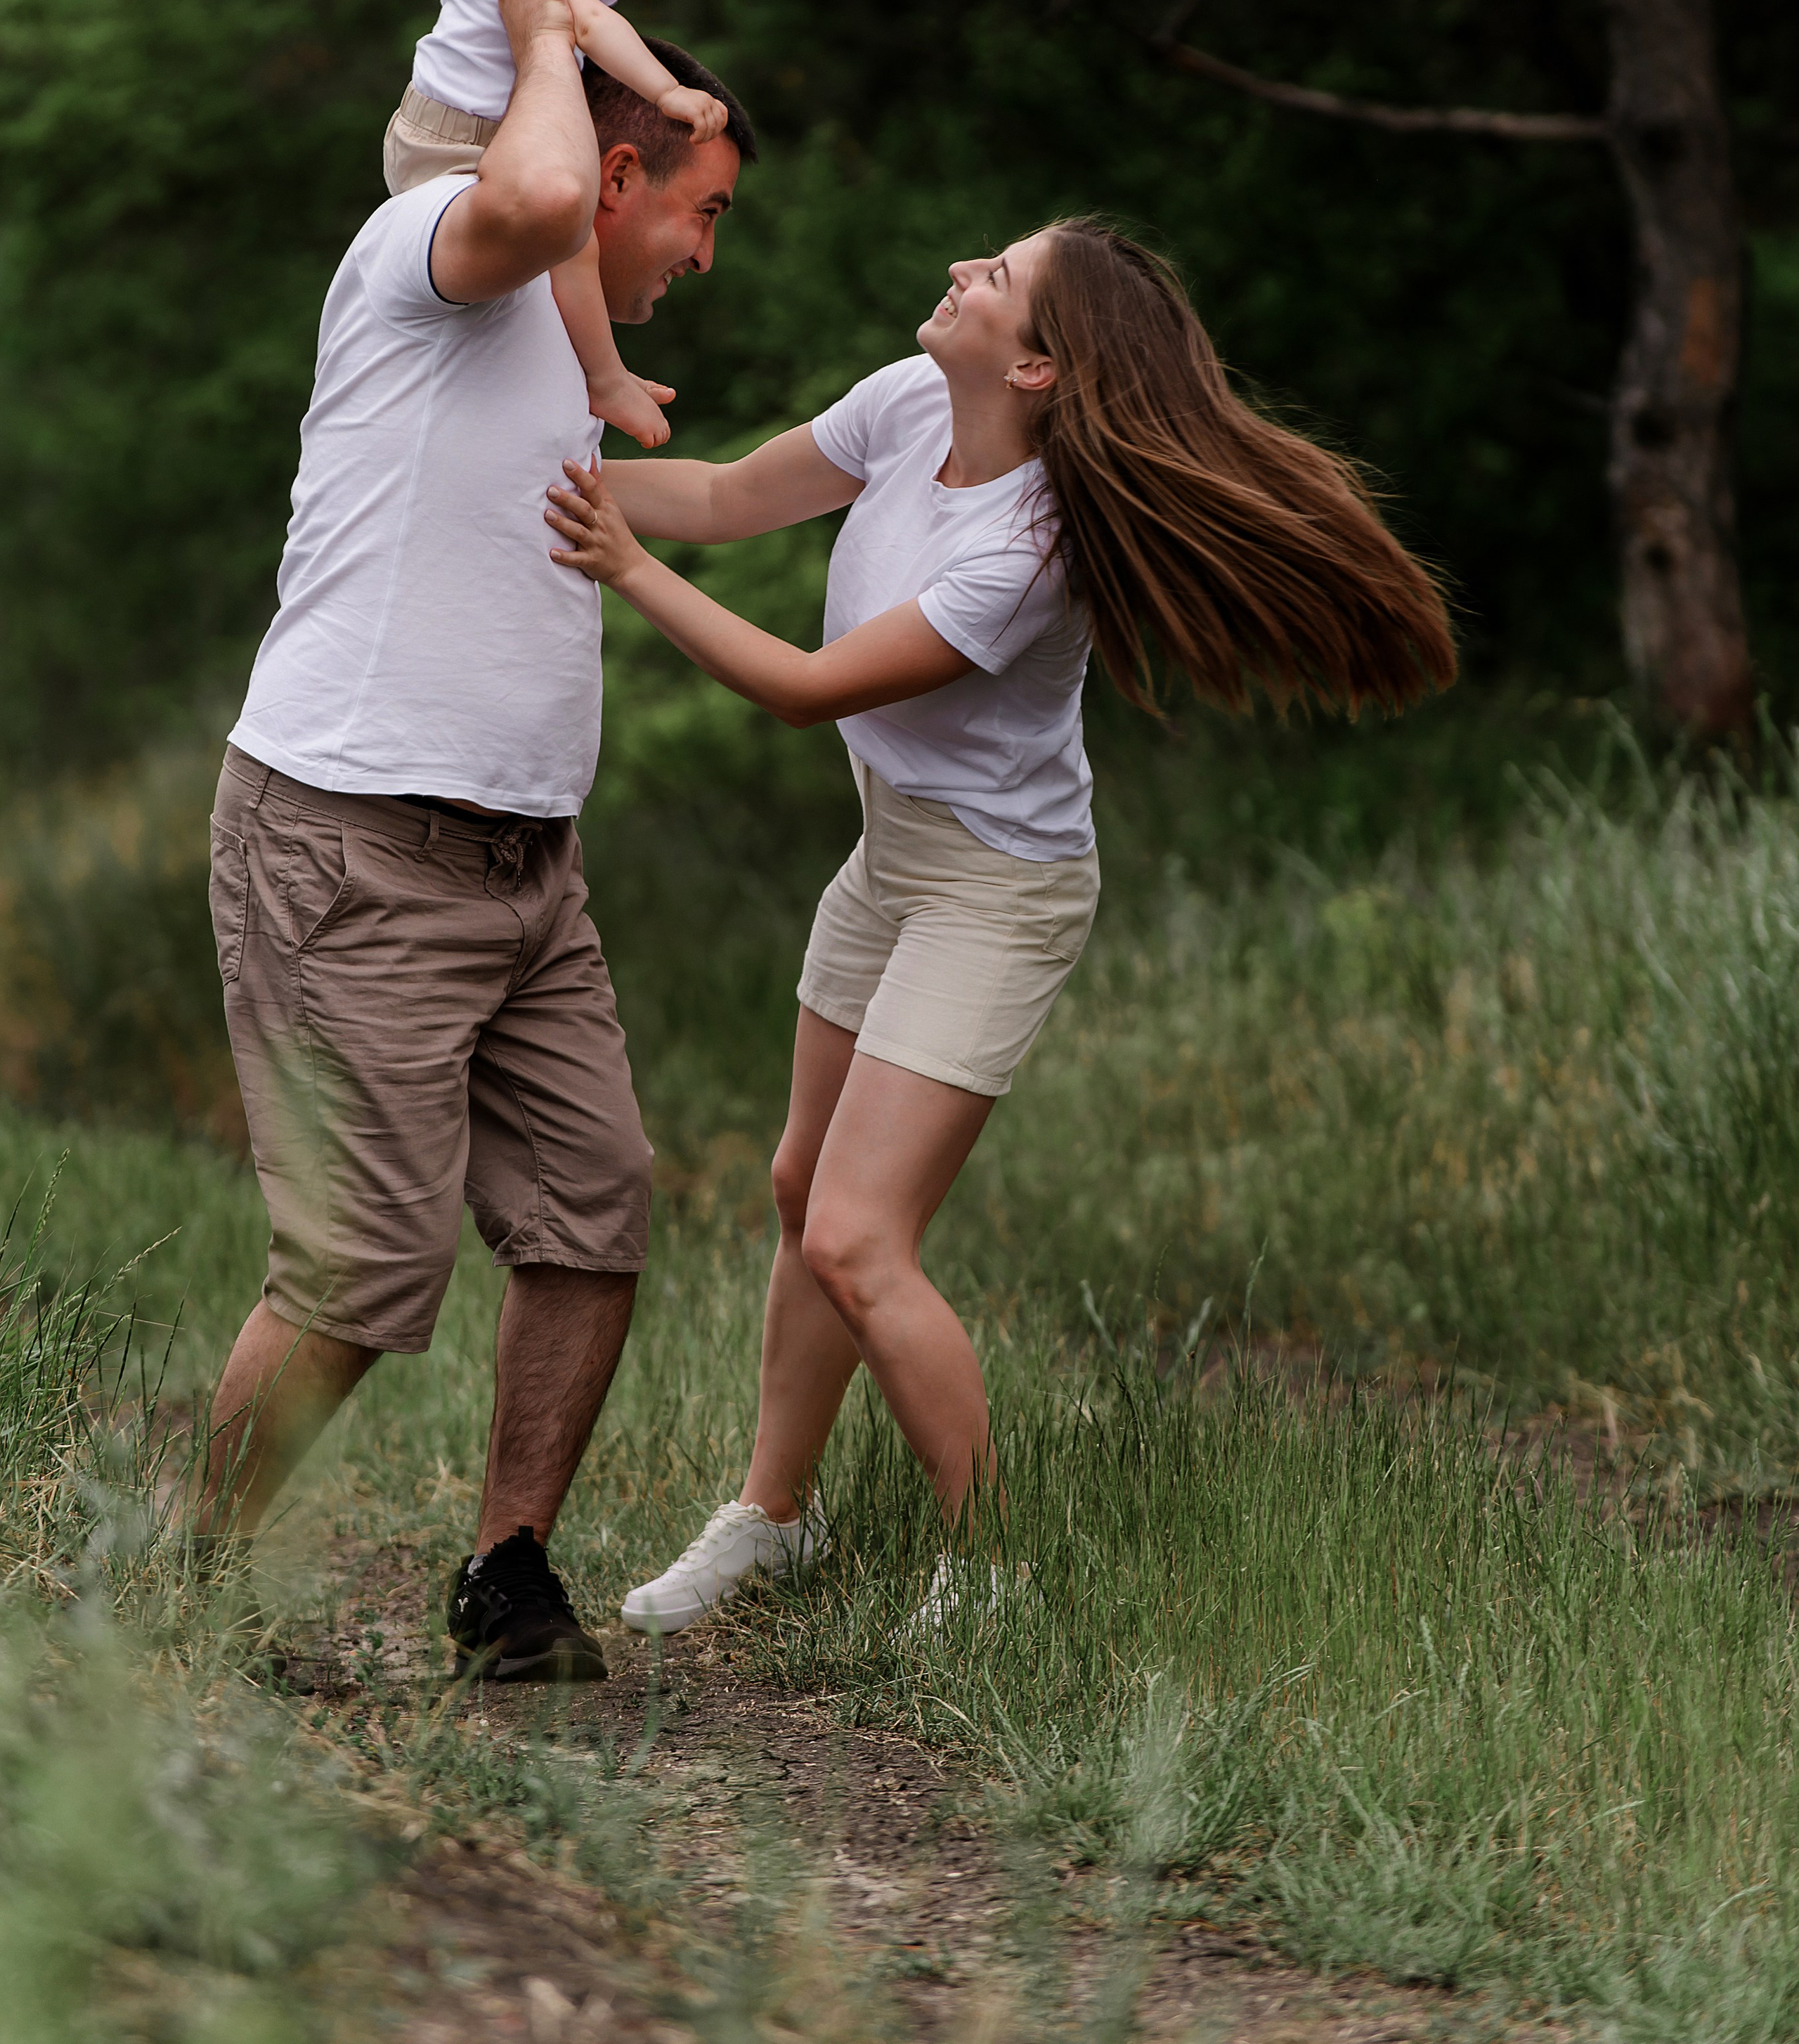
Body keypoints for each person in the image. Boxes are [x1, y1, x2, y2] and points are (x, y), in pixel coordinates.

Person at [541, 217, 1457, 1631]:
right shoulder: (911, 401)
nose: (967, 267)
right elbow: (722, 495)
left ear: (1035, 366)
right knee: (801, 1189)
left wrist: (623, 566)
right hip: (891, 853)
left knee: (858, 1237)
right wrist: (546, 484)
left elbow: (805, 688)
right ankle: (774, 1517)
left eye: (1001, 277)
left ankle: (992, 1571)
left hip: (996, 888)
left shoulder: (1030, 550)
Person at [202, 0, 757, 1683]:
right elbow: (530, 192)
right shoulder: (438, 247)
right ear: (614, 174)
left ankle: (507, 1577)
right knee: (362, 1270)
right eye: (701, 210)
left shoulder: (574, 340)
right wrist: (540, 36)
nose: (705, 251)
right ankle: (178, 1596)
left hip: (528, 867)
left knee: (595, 1211)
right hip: (353, 842)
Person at [387, 0, 729, 452]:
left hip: (423, 127)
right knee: (573, 237)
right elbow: (594, 27)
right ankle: (603, 378)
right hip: (468, 142)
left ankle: (558, 385)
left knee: (526, 278)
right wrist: (667, 91)